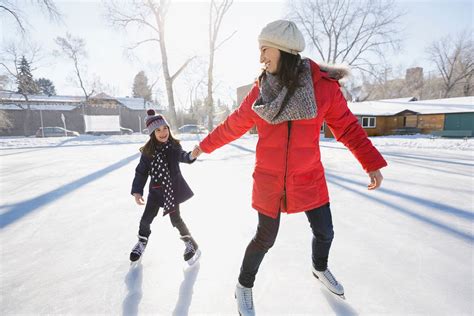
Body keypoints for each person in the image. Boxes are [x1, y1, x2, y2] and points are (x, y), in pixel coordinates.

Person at [191, 20, 387, 315]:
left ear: (283, 50)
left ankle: (319, 268)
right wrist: (202, 146)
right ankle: (243, 286)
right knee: (265, 238)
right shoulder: (260, 93)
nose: (261, 58)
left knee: (326, 232)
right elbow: (232, 126)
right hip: (270, 180)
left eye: (264, 49)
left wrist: (370, 162)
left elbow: (347, 127)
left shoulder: (323, 89)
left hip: (309, 177)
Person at [130, 109, 201, 265]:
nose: (163, 132)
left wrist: (192, 155)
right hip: (155, 193)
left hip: (171, 191)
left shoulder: (173, 147)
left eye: (165, 128)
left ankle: (191, 243)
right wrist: (137, 191)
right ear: (152, 133)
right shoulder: (148, 152)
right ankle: (142, 242)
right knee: (145, 220)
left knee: (176, 220)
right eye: (158, 130)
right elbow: (141, 172)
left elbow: (184, 156)